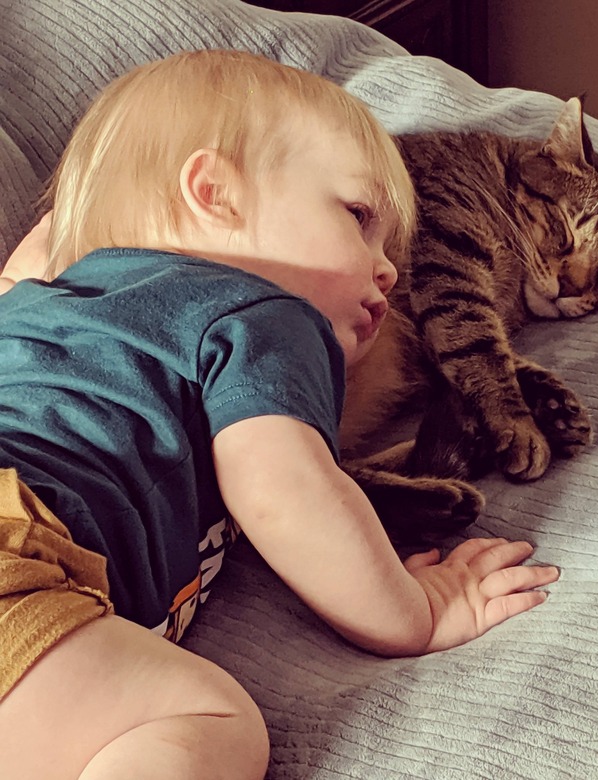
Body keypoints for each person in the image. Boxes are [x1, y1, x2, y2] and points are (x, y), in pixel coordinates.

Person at [0, 50, 559, 780]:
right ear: (216, 194)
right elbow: (283, 488)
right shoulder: (256, 310)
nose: (387, 267)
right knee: (203, 721)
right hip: (19, 548)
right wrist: (416, 612)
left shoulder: (44, 305)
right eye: (359, 218)